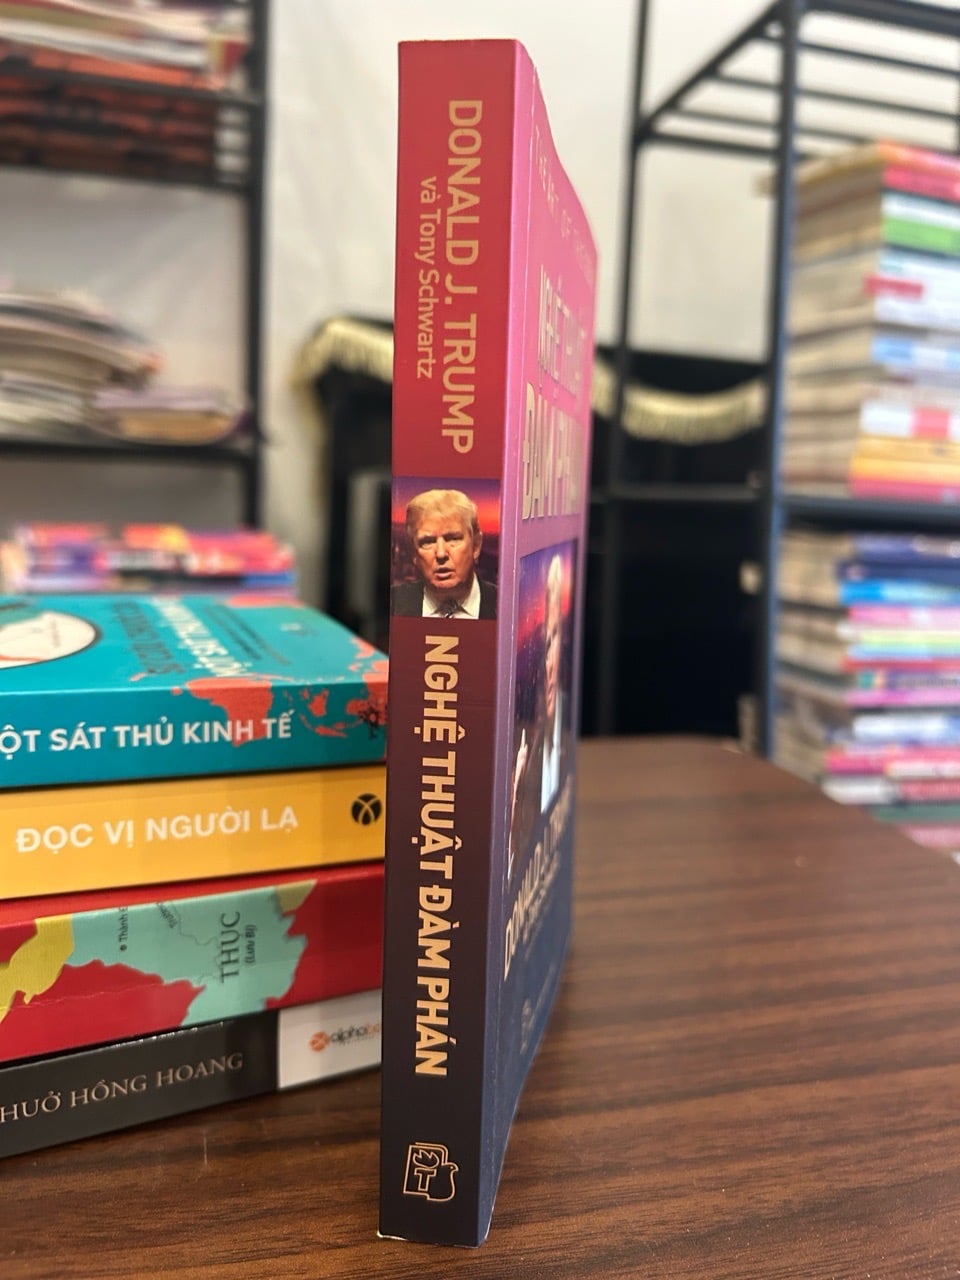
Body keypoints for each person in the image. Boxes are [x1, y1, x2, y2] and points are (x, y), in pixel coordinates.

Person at [509, 552, 569, 876]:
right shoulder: (519, 765)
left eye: (556, 639)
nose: (550, 663)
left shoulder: (565, 743)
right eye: (545, 645)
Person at [391, 488, 497, 619]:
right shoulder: (392, 603)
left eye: (453, 539)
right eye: (428, 542)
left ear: (476, 546)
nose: (441, 554)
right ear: (414, 553)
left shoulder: (506, 605)